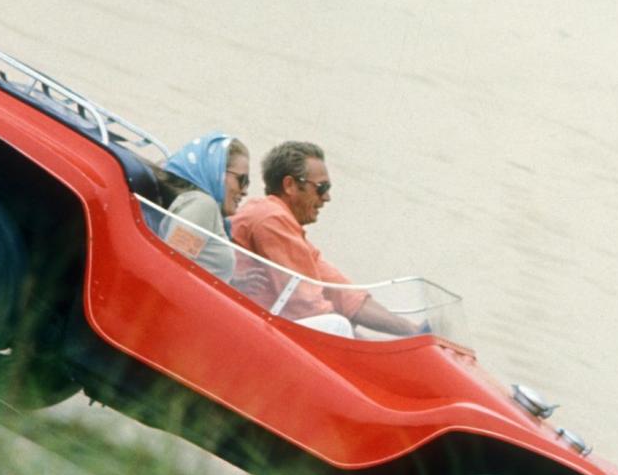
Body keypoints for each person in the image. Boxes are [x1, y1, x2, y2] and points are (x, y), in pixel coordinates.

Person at [231, 141, 421, 337]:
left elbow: (344, 294)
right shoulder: (270, 218)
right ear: (290, 185)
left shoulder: (289, 231)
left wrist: (415, 331)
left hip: (261, 327)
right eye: (321, 188)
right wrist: (366, 350)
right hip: (245, 329)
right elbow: (304, 303)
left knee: (340, 325)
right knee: (337, 325)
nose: (327, 197)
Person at [155, 132, 250, 282]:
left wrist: (232, 281)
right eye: (242, 180)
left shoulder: (209, 211)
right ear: (216, 171)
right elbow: (172, 265)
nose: (245, 191)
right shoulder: (203, 206)